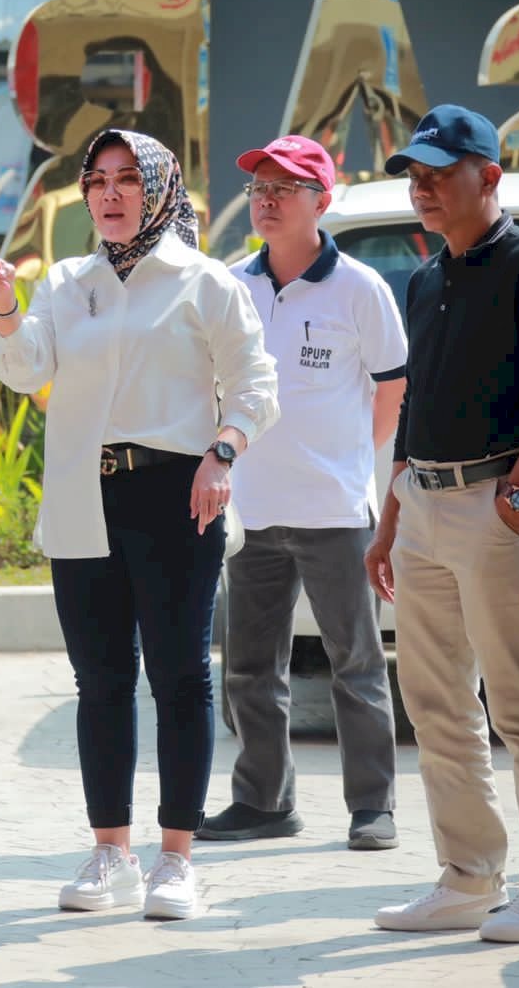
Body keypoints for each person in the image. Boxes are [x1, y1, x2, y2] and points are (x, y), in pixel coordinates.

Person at [0, 128, 279, 920]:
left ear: (159, 189)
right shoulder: (68, 281)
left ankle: (176, 857)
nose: (110, 194)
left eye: (127, 179)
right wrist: (9, 309)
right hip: (86, 496)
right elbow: (25, 368)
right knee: (101, 680)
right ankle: (108, 851)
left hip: (178, 495)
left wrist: (222, 452)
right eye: (98, 181)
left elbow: (256, 384)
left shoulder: (205, 281)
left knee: (180, 676)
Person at [364, 105, 519, 943]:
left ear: (489, 176)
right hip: (424, 502)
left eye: (437, 171)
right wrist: (390, 518)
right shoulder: (426, 277)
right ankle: (467, 875)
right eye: (413, 174)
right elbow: (416, 404)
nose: (421, 187)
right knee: (435, 703)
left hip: (502, 498)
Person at [200, 135, 404, 851]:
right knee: (252, 669)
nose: (267, 200)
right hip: (248, 513)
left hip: (335, 511)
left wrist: (345, 458)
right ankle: (264, 802)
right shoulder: (230, 285)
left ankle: (372, 807)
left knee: (357, 664)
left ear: (323, 199)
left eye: (285, 188)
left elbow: (393, 391)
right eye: (259, 188)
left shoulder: (361, 289)